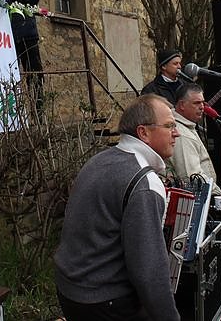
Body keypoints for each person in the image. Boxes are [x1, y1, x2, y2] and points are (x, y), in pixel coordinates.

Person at [54, 94, 180, 320]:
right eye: (170, 125)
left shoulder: (99, 159)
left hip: (69, 291)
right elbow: (150, 272)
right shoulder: (144, 182)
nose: (177, 133)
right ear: (143, 132)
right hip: (104, 302)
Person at [169, 84, 221, 197]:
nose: (202, 107)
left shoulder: (187, 125)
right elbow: (191, 177)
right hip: (202, 195)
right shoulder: (182, 134)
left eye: (203, 103)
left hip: (208, 191)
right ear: (182, 105)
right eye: (196, 103)